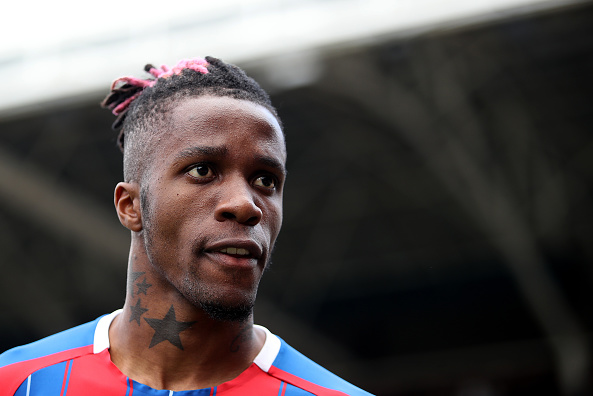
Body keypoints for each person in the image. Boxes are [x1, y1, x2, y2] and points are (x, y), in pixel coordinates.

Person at [0, 57, 372, 395]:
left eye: (265, 180)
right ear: (131, 206)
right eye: (203, 170)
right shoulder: (17, 382)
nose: (246, 205)